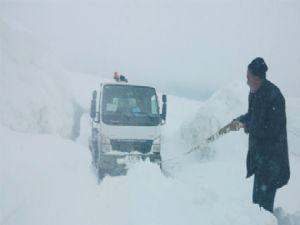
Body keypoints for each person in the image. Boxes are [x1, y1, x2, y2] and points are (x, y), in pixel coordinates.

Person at [231, 57, 290, 213]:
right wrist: (239, 120)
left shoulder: (275, 96)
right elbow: (252, 115)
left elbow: (272, 129)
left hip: (272, 162)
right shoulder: (254, 93)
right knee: (257, 205)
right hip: (260, 159)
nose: (247, 82)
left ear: (258, 79)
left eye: (249, 78)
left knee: (263, 208)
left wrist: (249, 126)